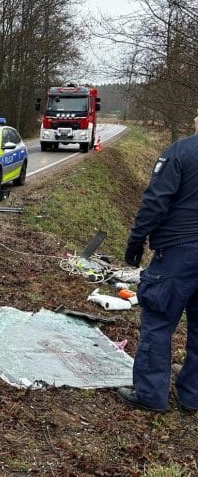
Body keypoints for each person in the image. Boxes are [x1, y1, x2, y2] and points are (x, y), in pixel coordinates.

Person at [117, 129, 198, 414]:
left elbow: (155, 201)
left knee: (159, 322)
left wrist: (136, 241)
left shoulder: (181, 152)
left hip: (179, 252)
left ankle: (151, 394)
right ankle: (192, 397)